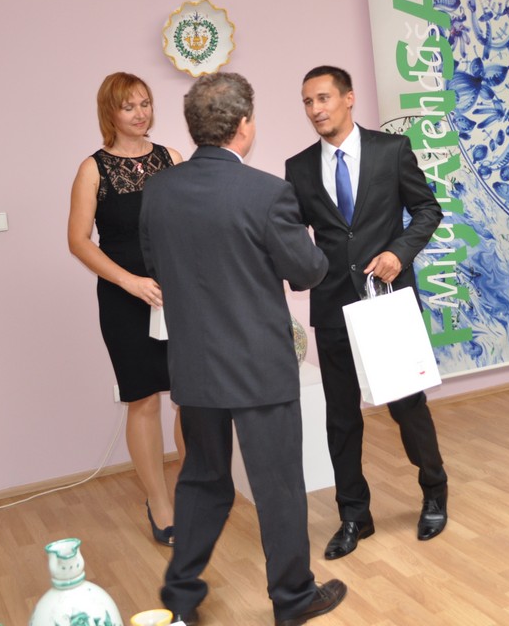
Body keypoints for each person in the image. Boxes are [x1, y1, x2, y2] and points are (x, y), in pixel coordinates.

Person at [140, 71, 347, 626]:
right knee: (278, 487)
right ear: (243, 125)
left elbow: (155, 264)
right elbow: (306, 272)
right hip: (259, 367)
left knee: (203, 481)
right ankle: (293, 598)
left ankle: (180, 598)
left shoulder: (159, 190)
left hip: (195, 365)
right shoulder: (266, 193)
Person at [285, 65, 449, 560]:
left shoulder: (391, 150)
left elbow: (428, 210)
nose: (315, 109)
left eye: (323, 98)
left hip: (386, 301)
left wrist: (400, 252)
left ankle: (434, 490)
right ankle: (354, 516)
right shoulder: (298, 167)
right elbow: (294, 235)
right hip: (331, 304)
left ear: (348, 98)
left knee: (406, 407)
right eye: (307, 102)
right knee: (341, 418)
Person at [69, 71, 185, 545]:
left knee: (189, 395)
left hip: (177, 295)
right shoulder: (92, 169)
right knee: (143, 399)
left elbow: (190, 222)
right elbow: (78, 241)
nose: (141, 114)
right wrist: (130, 282)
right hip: (124, 298)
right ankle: (159, 503)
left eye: (145, 103)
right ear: (110, 113)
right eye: (129, 106)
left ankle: (193, 492)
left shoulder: (172, 158)